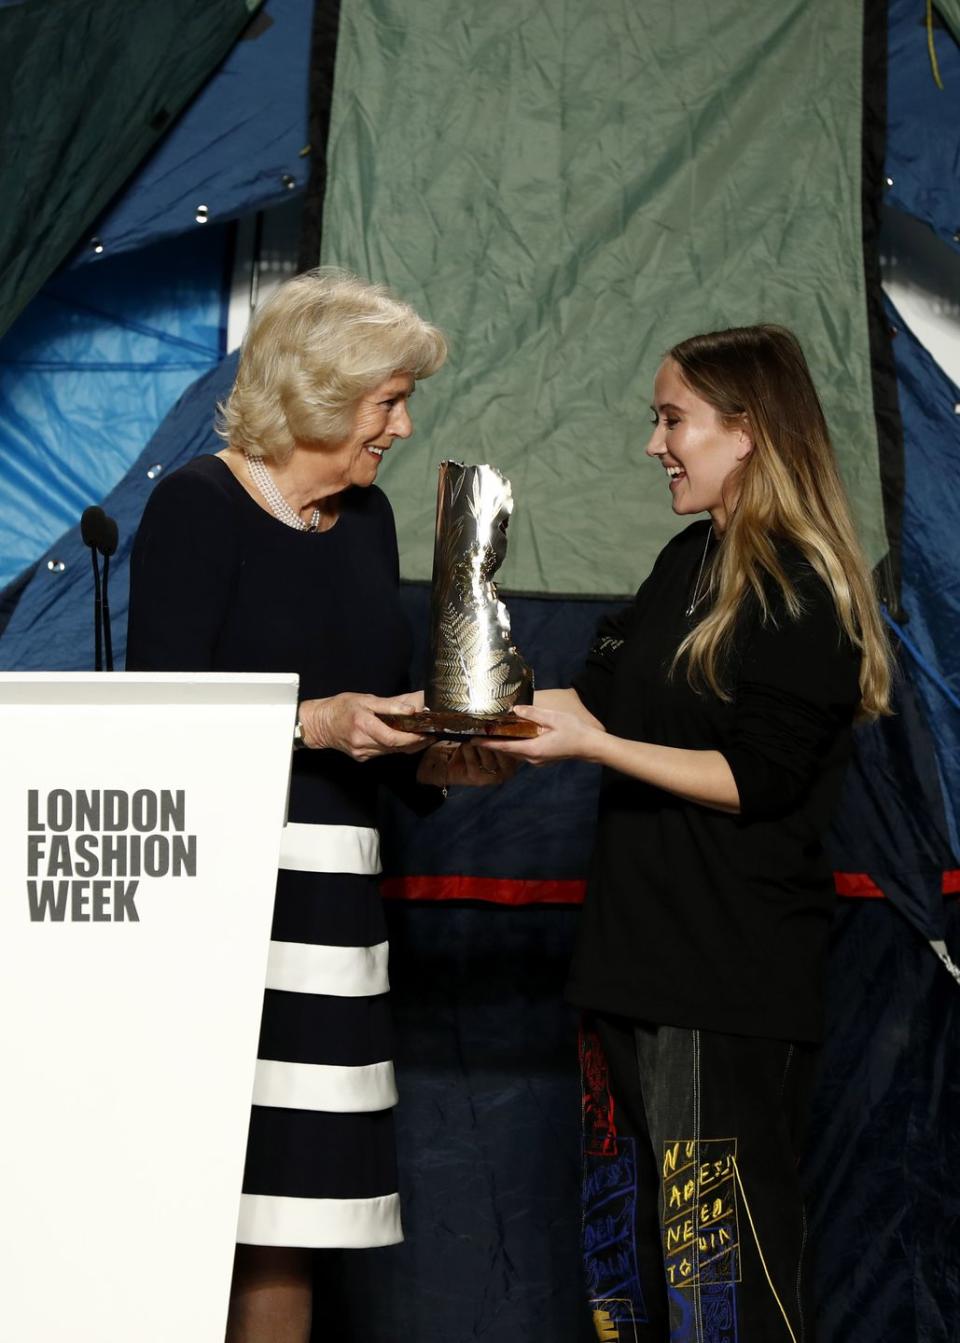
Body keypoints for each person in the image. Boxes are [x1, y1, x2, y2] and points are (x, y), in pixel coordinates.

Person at [483, 325, 891, 1342]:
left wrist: (590, 745)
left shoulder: (802, 586)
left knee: (721, 1295)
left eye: (673, 419)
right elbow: (596, 702)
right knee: (627, 1286)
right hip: (626, 972)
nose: (655, 443)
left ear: (747, 431)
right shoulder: (684, 558)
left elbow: (754, 777)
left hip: (723, 985)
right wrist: (442, 715)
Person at [126, 268, 507, 1343]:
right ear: (320, 392)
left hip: (334, 905)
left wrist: (445, 757)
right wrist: (311, 722)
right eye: (388, 399)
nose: (405, 422)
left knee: (288, 1212)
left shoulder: (372, 518)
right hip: (219, 902)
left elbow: (372, 719)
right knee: (186, 1201)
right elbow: (163, 720)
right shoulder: (196, 505)